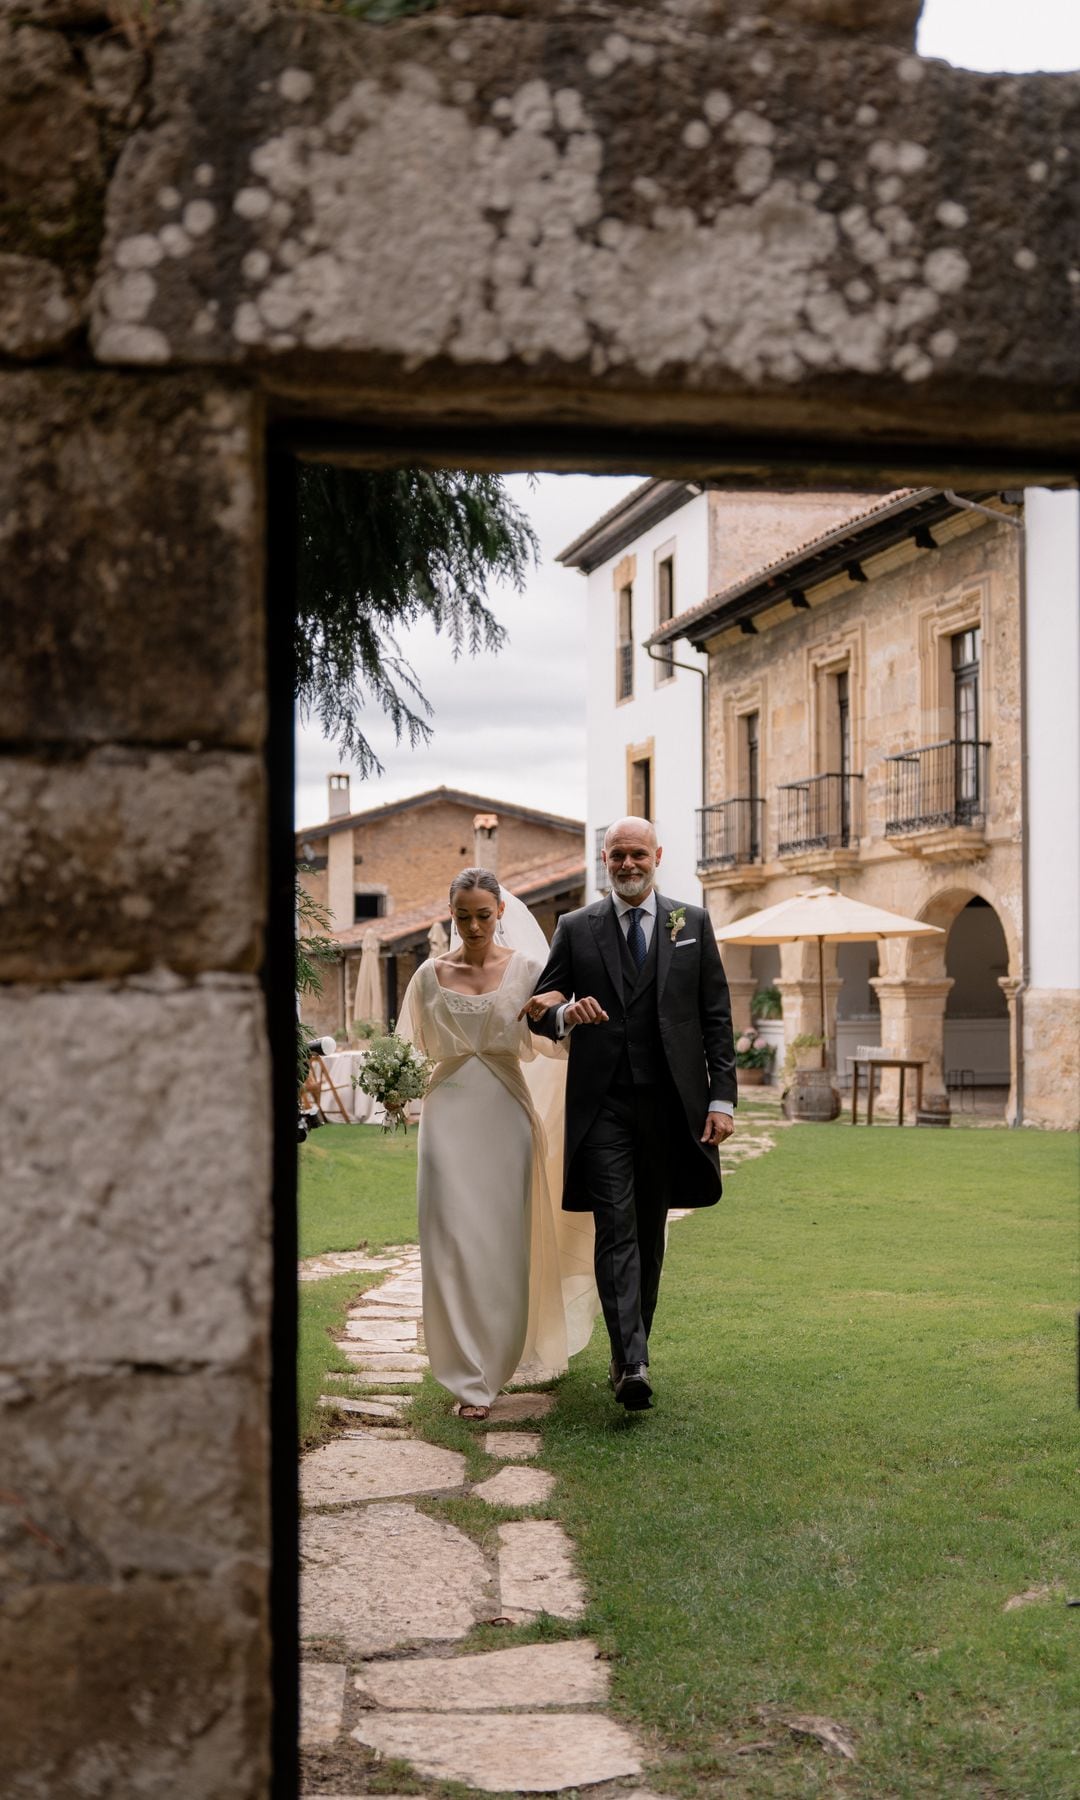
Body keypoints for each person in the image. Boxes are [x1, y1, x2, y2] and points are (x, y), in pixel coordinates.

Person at [521, 817, 736, 1411]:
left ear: (657, 856)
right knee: (615, 1225)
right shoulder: (576, 927)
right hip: (604, 1106)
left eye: (637, 854)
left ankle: (629, 1352)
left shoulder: (692, 923)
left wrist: (721, 1099)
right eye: (617, 855)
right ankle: (633, 1361)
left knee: (648, 1230)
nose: (627, 865)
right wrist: (564, 1016)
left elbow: (716, 1016)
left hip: (672, 1106)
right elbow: (542, 1010)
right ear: (604, 860)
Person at [397, 868, 598, 1420]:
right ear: (451, 914)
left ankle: (499, 1359)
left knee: (505, 1243)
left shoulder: (530, 970)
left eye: (483, 915)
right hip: (446, 1120)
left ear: (500, 912)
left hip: (506, 1117)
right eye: (463, 916)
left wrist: (570, 1018)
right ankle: (468, 1379)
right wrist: (395, 1090)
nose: (473, 926)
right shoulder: (428, 976)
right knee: (449, 1243)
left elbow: (554, 1042)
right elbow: (407, 1048)